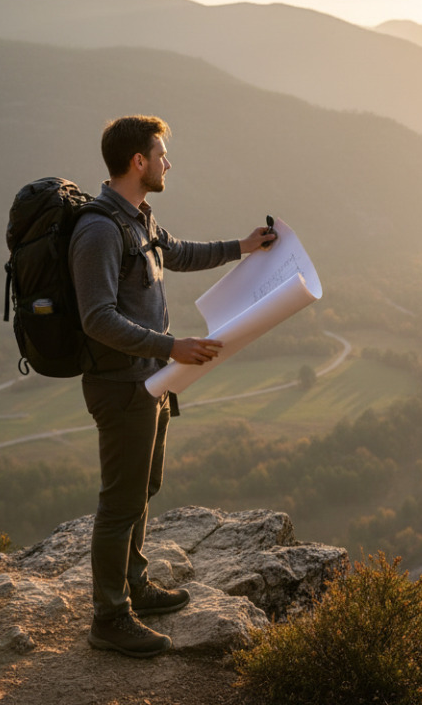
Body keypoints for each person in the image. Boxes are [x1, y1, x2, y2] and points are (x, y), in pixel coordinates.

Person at [70, 115, 276, 657]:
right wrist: (171, 347)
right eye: (161, 155)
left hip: (151, 381)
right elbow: (96, 318)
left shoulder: (138, 218)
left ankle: (134, 587)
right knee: (120, 503)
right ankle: (109, 618)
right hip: (121, 386)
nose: (168, 163)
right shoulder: (99, 230)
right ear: (138, 161)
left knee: (143, 490)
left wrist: (242, 246)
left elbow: (179, 253)